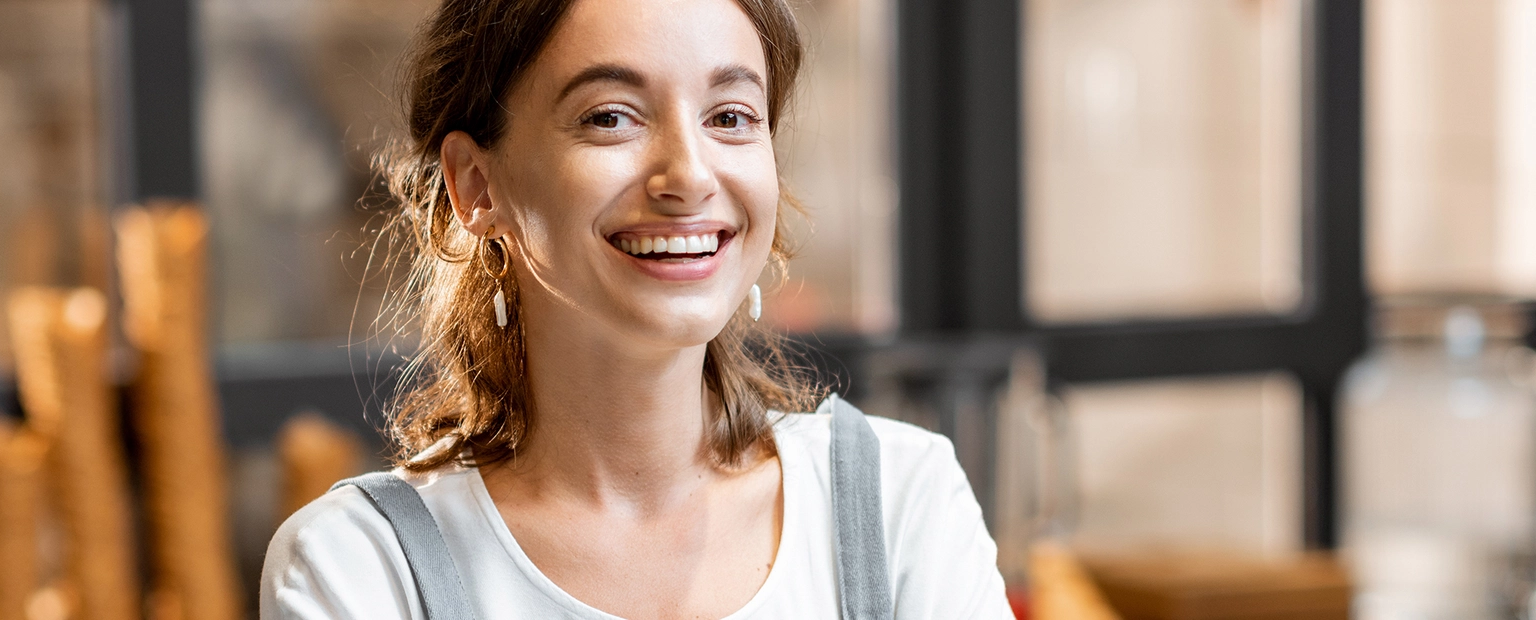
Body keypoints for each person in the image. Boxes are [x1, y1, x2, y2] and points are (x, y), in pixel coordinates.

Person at [259, 0, 1009, 617]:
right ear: (477, 185)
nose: (686, 175)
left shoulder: (900, 505)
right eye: (610, 117)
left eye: (731, 116)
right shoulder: (363, 570)